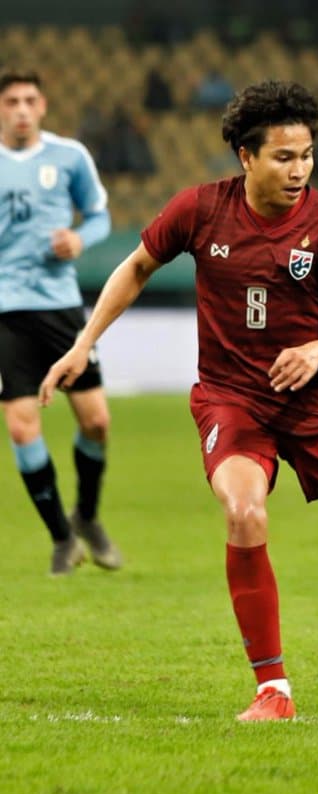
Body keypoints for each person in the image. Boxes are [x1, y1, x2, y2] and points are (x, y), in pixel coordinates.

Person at [39, 80, 318, 720]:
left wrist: (316, 351)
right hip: (232, 402)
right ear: (246, 157)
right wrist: (85, 342)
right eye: (284, 157)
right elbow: (138, 264)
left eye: (307, 155)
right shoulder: (200, 209)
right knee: (245, 513)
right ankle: (273, 689)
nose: (299, 170)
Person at [0, 68, 122, 576]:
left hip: (60, 307)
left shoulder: (69, 156)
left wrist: (80, 239)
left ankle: (88, 517)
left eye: (30, 100)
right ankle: (61, 537)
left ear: (43, 105)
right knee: (22, 425)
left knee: (96, 421)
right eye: (11, 102)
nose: (22, 110)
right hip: (5, 311)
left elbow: (99, 216)